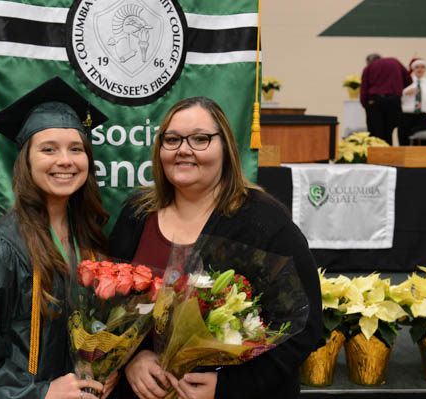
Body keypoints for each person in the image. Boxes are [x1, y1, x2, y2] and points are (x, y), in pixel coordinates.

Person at [108, 97, 322, 399]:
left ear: (226, 148)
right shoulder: (137, 213)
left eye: (200, 139)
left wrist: (228, 386)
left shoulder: (263, 222)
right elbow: (110, 305)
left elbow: (303, 326)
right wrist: (131, 358)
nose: (183, 149)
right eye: (172, 140)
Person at [0, 77, 117, 399]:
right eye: (48, 149)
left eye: (76, 148)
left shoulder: (89, 240)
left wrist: (105, 368)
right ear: (26, 161)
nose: (65, 160)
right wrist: (43, 393)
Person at [360, 53, 412, 145]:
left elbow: (364, 88)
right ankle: (388, 156)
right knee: (389, 131)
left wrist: (366, 105)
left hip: (375, 102)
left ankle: (377, 157)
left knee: (376, 133)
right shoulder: (394, 61)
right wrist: (397, 90)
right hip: (393, 101)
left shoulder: (369, 67)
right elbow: (409, 79)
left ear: (369, 62)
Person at [399, 57, 426, 145]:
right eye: (417, 67)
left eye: (422, 67)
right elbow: (396, 98)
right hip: (406, 116)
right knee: (405, 141)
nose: (420, 69)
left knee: (422, 143)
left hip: (422, 117)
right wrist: (405, 93)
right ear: (413, 69)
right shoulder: (405, 82)